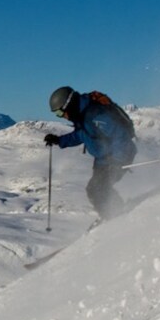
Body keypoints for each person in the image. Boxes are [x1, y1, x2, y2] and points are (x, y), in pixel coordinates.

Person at [44, 86, 137, 221]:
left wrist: (117, 161)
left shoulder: (95, 115)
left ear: (68, 105)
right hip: (103, 159)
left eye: (59, 112)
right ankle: (114, 212)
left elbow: (120, 135)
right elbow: (81, 135)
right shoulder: (81, 115)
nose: (61, 116)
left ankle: (115, 217)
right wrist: (59, 140)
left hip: (117, 157)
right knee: (96, 189)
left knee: (97, 189)